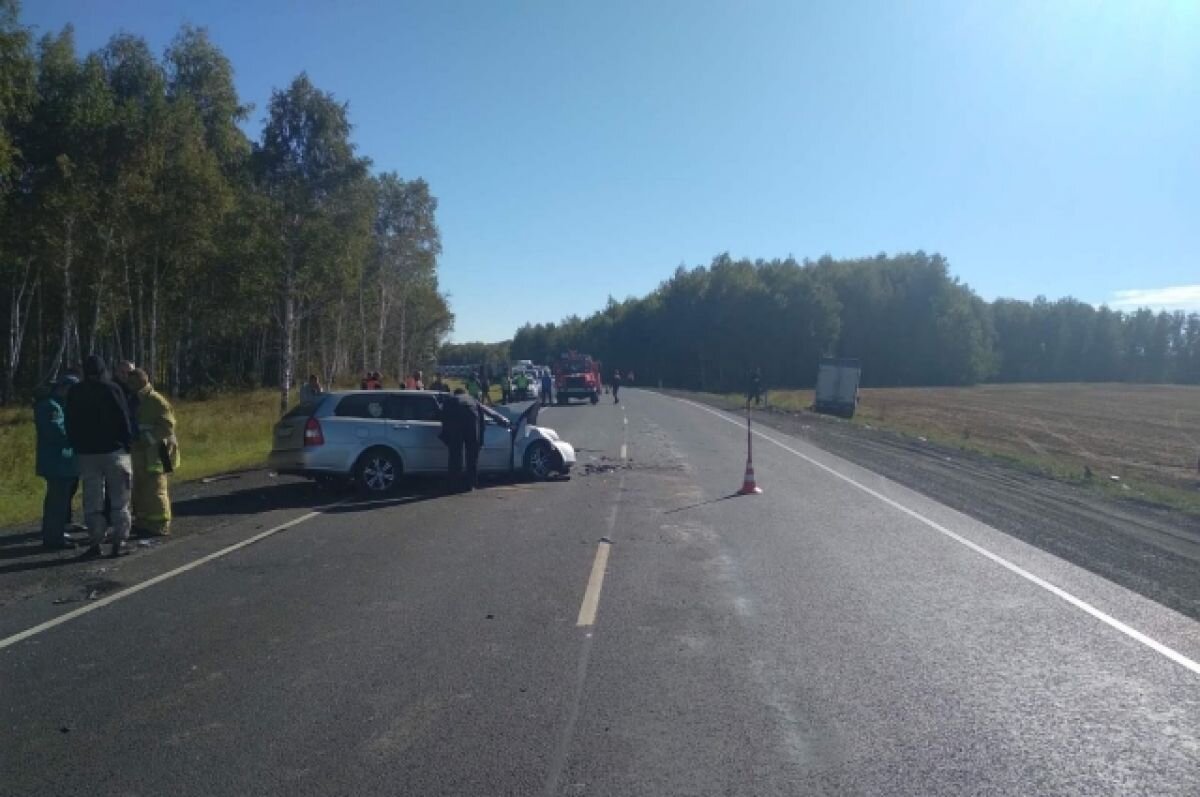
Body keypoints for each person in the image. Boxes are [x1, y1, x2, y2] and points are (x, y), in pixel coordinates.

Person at [66, 355, 134, 559]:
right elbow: (124, 418)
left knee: (93, 500)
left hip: (87, 453)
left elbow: (69, 422)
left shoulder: (75, 391)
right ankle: (119, 542)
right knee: (120, 500)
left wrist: (77, 445)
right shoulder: (112, 389)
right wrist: (127, 444)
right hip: (114, 451)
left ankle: (95, 542)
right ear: (103, 370)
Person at [126, 368, 180, 537]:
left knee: (156, 490)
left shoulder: (156, 400)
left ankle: (160, 524)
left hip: (158, 452)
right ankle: (143, 522)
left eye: (132, 381)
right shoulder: (133, 400)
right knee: (140, 489)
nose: (129, 384)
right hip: (139, 453)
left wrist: (147, 439)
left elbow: (168, 426)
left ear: (142, 381)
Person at [35, 375, 80, 550]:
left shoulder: (59, 405)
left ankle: (55, 534)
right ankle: (53, 538)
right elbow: (57, 433)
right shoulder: (50, 407)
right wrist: (78, 437)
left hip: (62, 461)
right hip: (56, 462)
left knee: (59, 502)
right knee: (57, 503)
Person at [439, 388, 485, 492]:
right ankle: (470, 484)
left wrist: (445, 435)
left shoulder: (450, 400)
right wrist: (480, 440)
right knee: (472, 457)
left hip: (456, 425)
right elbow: (482, 422)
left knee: (455, 455)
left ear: (455, 393)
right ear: (465, 393)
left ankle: (454, 484)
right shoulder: (473, 400)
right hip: (472, 426)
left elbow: (443, 417)